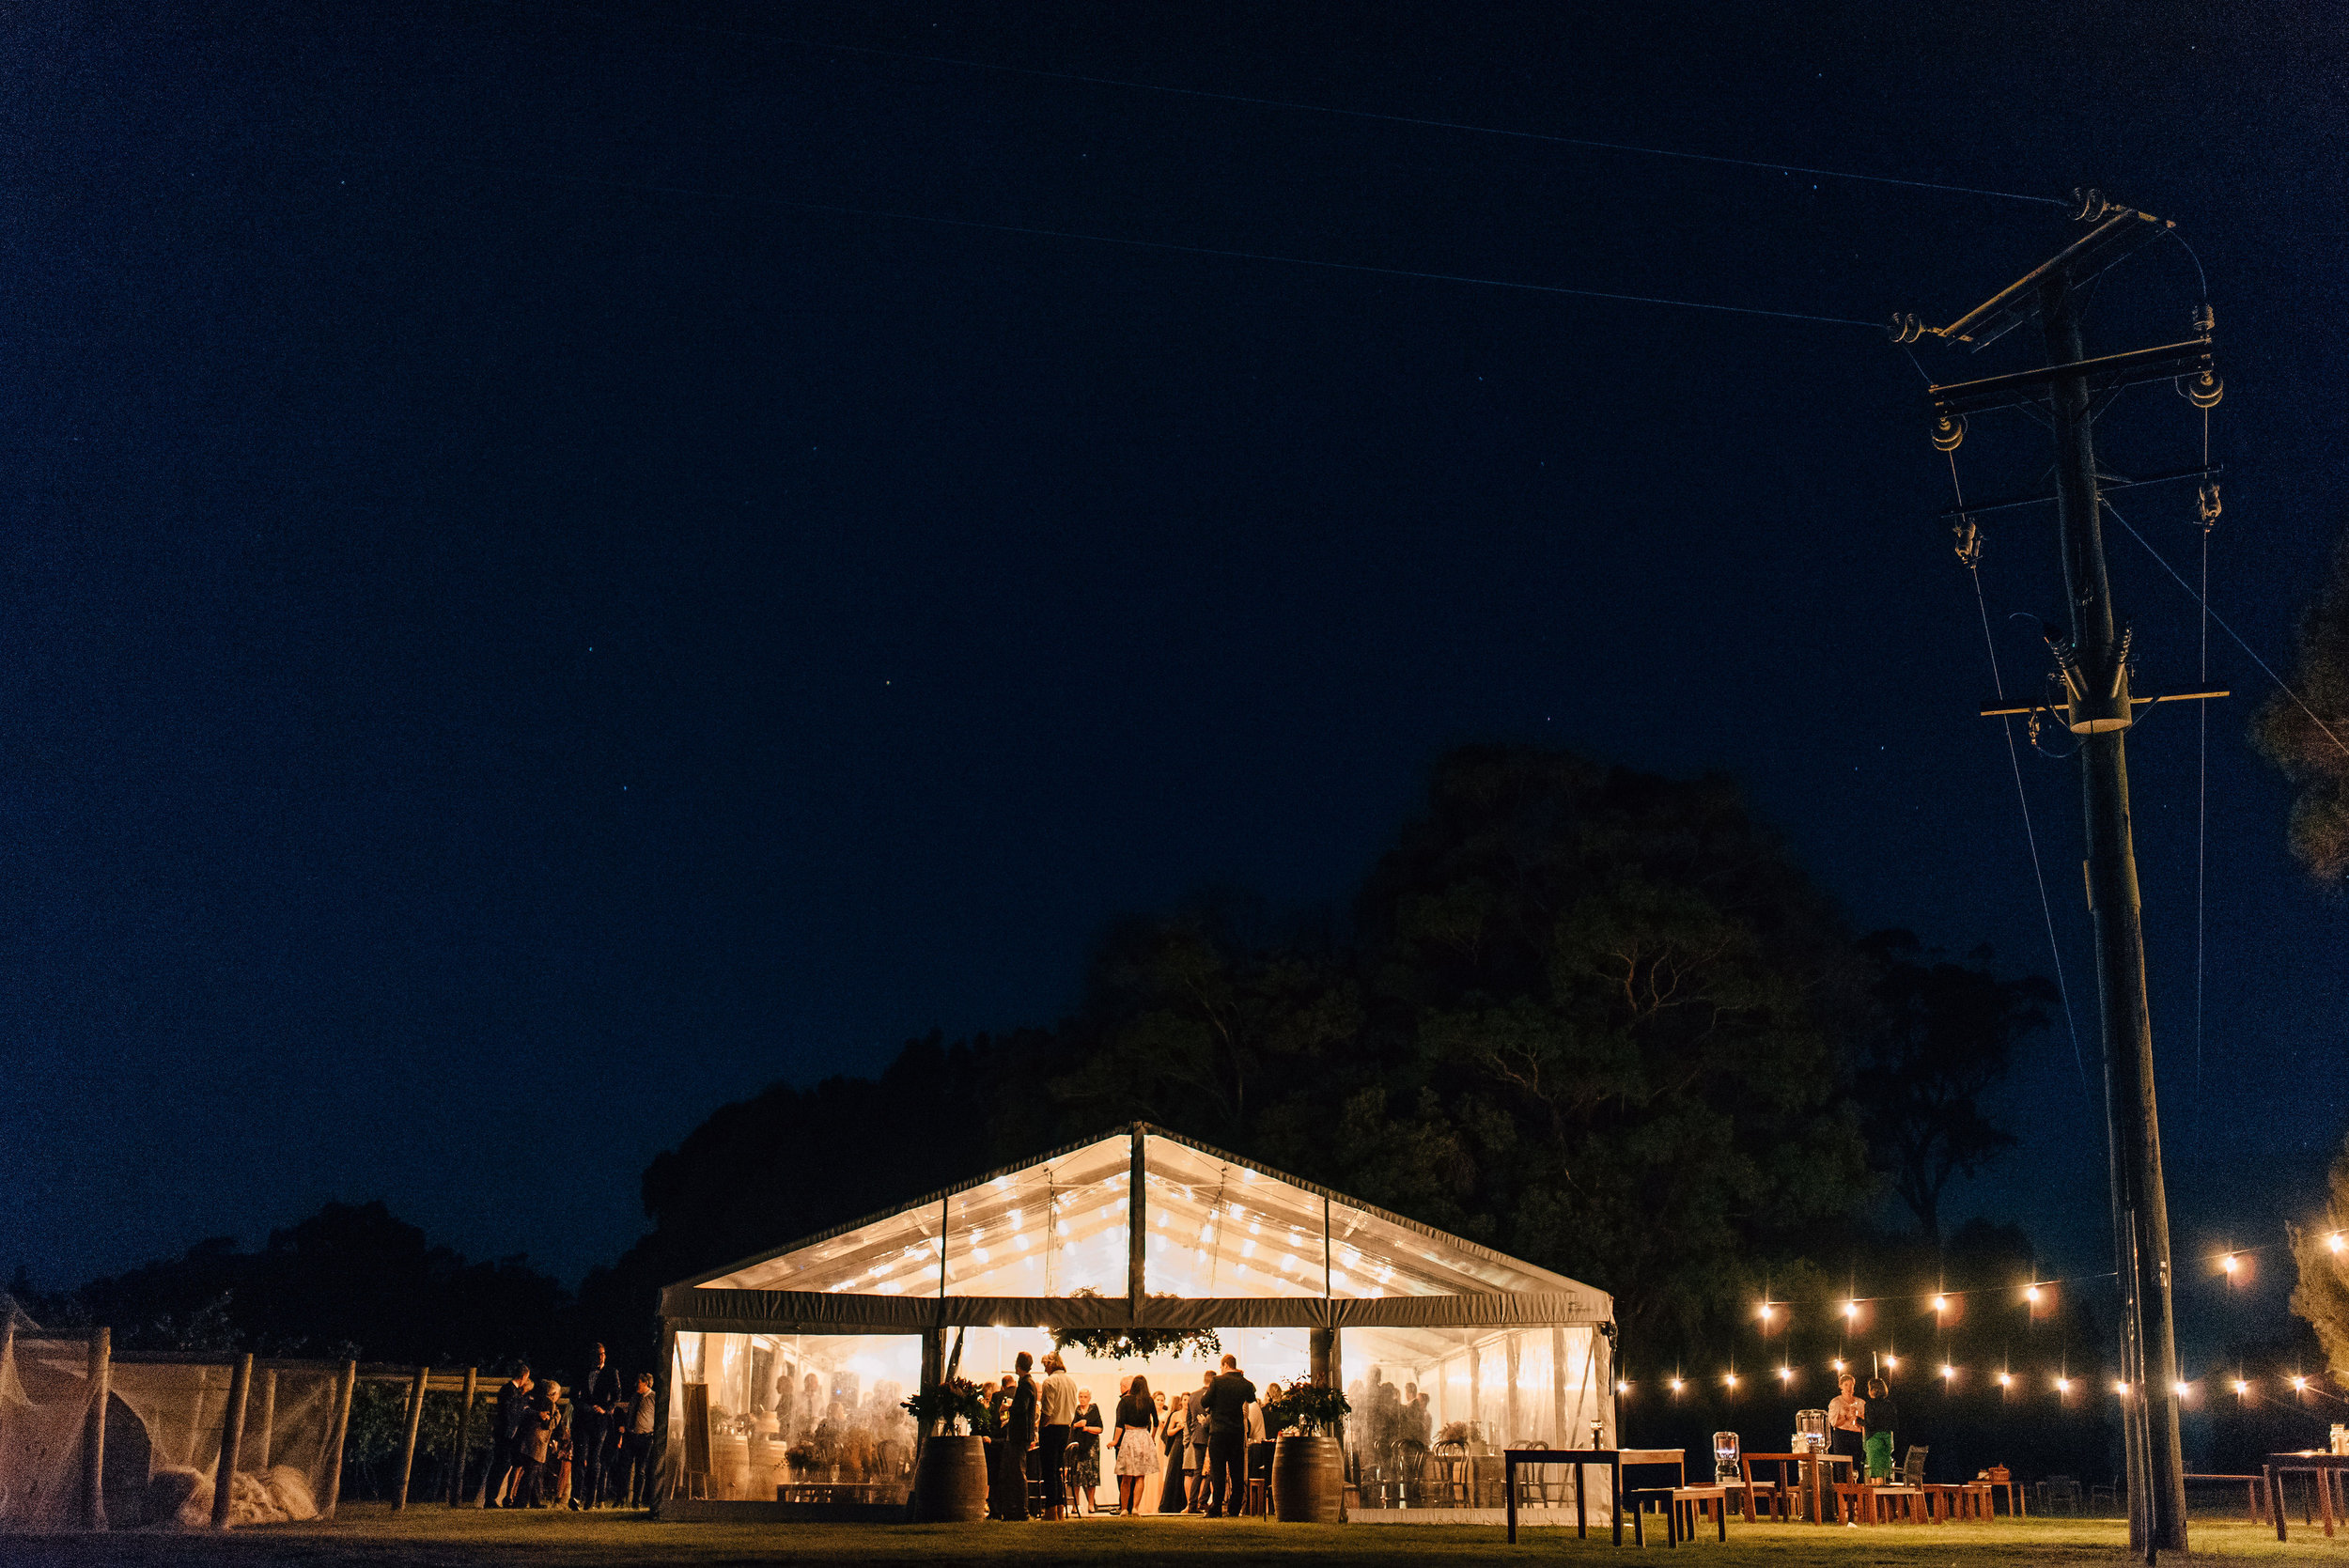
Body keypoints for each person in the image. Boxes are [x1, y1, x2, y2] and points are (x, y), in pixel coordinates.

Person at [1199, 1354, 1256, 1518]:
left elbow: (1204, 1402)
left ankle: (1216, 1507)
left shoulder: (1217, 1381)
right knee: (1237, 1471)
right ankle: (1234, 1507)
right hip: (1236, 1432)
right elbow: (1251, 1398)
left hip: (1218, 1431)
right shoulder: (1244, 1383)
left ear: (1225, 1365)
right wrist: (1242, 1377)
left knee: (1218, 1472)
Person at [573, 1343, 623, 1509]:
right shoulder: (582, 1371)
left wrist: (605, 1409)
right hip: (583, 1419)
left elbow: (617, 1396)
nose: (600, 1357)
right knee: (580, 1457)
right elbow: (574, 1395)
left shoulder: (611, 1372)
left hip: (600, 1421)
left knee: (595, 1459)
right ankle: (575, 1495)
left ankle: (590, 1497)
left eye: (603, 1354)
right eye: (597, 1354)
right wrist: (585, 1407)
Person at [486, 1362, 535, 1507]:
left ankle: (491, 1497)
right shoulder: (510, 1391)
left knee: (503, 1464)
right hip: (506, 1434)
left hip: (506, 1433)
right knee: (501, 1464)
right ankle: (490, 1497)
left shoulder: (510, 1390)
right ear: (524, 1376)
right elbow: (510, 1413)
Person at [1037, 1352, 1078, 1520]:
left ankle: (1051, 1510)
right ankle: (1060, 1508)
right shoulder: (1071, 1382)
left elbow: (1047, 1409)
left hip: (1051, 1428)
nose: (1045, 1368)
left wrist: (1040, 1428)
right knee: (1058, 1470)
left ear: (1051, 1364)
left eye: (1045, 1365)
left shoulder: (1050, 1381)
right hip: (1065, 1428)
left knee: (1049, 1470)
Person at [1112, 1374, 1159, 1515]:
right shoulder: (1149, 1401)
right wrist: (1152, 1437)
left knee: (1126, 1475)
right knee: (1140, 1476)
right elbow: (1155, 1422)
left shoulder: (1125, 1401)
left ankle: (1124, 1508)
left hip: (1130, 1436)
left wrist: (1114, 1440)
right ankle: (1136, 1508)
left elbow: (1119, 1424)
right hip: (1144, 1436)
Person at [1002, 1353, 1039, 1521]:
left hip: (1019, 1434)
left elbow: (1021, 1408)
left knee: (1017, 1471)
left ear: (1018, 1365)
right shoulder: (1030, 1384)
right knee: (1018, 1470)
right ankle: (1018, 1509)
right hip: (1025, 1434)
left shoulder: (1025, 1385)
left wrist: (1009, 1406)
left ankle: (1021, 1510)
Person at [1827, 1372, 1866, 1526]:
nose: (1849, 1388)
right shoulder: (1836, 1402)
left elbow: (1866, 1422)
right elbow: (1834, 1423)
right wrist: (1847, 1416)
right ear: (1841, 1386)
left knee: (1857, 1468)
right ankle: (1843, 1508)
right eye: (1846, 1385)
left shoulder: (1861, 1402)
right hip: (1842, 1436)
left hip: (1856, 1436)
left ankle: (1857, 1506)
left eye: (1851, 1385)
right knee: (1842, 1469)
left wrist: (1859, 1418)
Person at [616, 1372, 657, 1507]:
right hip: (631, 1435)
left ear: (646, 1383)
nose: (636, 1384)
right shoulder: (635, 1397)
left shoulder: (653, 1397)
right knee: (624, 1468)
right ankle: (621, 1498)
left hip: (645, 1437)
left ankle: (636, 1501)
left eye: (639, 1382)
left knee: (640, 1470)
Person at [1070, 1389, 1104, 1514]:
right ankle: (1076, 1504)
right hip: (1078, 1446)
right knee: (1076, 1476)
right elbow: (1072, 1426)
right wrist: (1077, 1425)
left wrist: (1087, 1427)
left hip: (1092, 1447)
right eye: (1080, 1396)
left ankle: (1091, 1504)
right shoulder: (1076, 1410)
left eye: (1085, 1397)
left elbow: (1100, 1429)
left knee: (1092, 1476)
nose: (1082, 1399)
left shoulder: (1094, 1410)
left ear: (1089, 1398)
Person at [1864, 1376, 1901, 1482]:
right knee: (1884, 1470)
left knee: (1875, 1472)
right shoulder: (1890, 1405)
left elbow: (1871, 1423)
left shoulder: (1870, 1404)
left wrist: (1860, 1421)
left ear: (1873, 1390)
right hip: (1887, 1439)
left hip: (1874, 1439)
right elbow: (1895, 1425)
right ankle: (1883, 1496)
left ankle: (1875, 1497)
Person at [1186, 1373, 1213, 1512]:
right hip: (1210, 1435)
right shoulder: (1212, 1395)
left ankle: (1192, 1504)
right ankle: (1203, 1500)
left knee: (1198, 1470)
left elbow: (1189, 1418)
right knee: (1212, 1470)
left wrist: (1193, 1433)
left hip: (1197, 1436)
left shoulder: (1193, 1395)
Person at [1159, 1392, 1190, 1512]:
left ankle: (1184, 1504)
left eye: (1188, 1400)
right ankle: (1168, 1505)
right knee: (1173, 1472)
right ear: (1181, 1401)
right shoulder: (1175, 1415)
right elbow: (1168, 1432)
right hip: (1177, 1444)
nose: (1186, 1402)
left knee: (1186, 1474)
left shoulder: (1192, 1414)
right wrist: (1178, 1428)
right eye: (1185, 1400)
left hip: (1188, 1445)